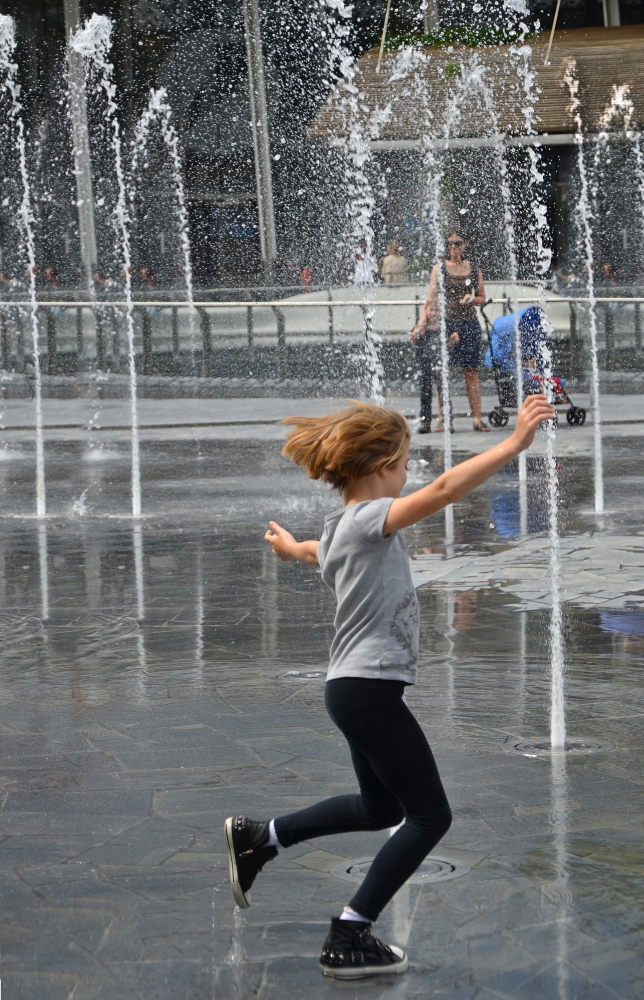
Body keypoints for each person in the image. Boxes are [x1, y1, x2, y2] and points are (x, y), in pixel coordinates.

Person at [224, 393, 554, 981]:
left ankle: (262, 837)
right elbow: (446, 492)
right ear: (380, 469)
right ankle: (350, 933)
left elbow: (308, 552)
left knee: (380, 808)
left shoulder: (340, 528)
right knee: (430, 817)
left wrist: (286, 547)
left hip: (354, 689)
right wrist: (512, 444)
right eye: (404, 464)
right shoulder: (369, 519)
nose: (410, 475)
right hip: (368, 691)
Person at [413, 230, 490, 431]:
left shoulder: (474, 268)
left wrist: (471, 299)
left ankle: (477, 419)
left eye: (457, 243)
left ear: (466, 243)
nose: (453, 247)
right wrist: (422, 322)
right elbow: (430, 299)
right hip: (445, 325)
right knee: (444, 372)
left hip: (470, 324)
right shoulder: (439, 268)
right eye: (449, 244)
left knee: (471, 371)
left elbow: (482, 297)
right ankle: (444, 419)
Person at [410, 300, 459, 433]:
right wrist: (419, 327)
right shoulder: (422, 326)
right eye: (431, 310)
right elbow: (413, 340)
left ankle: (447, 420)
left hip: (440, 364)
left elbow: (447, 346)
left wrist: (452, 341)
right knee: (425, 393)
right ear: (425, 311)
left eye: (437, 310)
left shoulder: (444, 326)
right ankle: (425, 421)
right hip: (424, 363)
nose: (434, 313)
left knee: (444, 392)